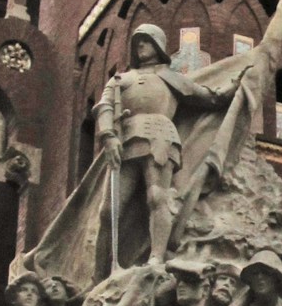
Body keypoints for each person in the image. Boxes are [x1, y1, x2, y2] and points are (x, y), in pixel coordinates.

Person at [97, 25, 233, 266]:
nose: (140, 45)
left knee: (157, 196)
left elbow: (209, 97)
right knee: (109, 210)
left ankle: (156, 256)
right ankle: (101, 270)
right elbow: (105, 107)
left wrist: (236, 85)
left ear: (158, 45)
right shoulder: (120, 79)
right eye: (137, 41)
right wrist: (108, 135)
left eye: (146, 40)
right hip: (125, 140)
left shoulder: (171, 78)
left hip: (160, 137)